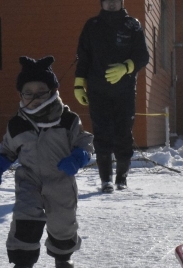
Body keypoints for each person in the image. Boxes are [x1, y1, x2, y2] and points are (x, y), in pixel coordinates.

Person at [0, 56, 94, 268]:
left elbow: (84, 142)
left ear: (52, 91)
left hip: (60, 179)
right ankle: (23, 261)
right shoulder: (17, 124)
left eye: (41, 92)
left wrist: (78, 157)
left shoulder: (67, 120)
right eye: (28, 93)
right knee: (25, 217)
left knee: (62, 221)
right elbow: (8, 149)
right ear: (21, 95)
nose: (34, 98)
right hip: (29, 179)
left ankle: (63, 255)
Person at [74, 0, 149, 193]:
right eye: (108, 0)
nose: (112, 4)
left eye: (116, 0)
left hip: (124, 91)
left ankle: (121, 178)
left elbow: (142, 56)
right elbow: (83, 57)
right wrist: (79, 83)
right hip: (97, 91)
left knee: (124, 134)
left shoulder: (132, 25)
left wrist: (126, 67)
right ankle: (105, 179)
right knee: (102, 134)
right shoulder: (92, 26)